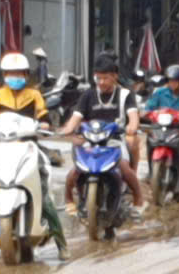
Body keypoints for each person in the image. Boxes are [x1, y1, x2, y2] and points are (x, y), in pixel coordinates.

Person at [59, 52, 146, 210]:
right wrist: (67, 130)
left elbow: (133, 115)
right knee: (75, 171)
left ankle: (138, 198)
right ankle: (69, 199)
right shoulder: (88, 95)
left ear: (114, 76)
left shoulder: (125, 94)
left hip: (114, 140)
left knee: (125, 169)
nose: (102, 82)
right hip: (90, 139)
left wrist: (132, 126)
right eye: (98, 78)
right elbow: (76, 117)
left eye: (105, 78)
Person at [0, 50, 52, 124]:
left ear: (26, 75)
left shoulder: (34, 95)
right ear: (5, 75)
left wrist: (44, 123)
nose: (15, 76)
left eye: (19, 73)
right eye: (12, 73)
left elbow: (43, 114)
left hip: (27, 133)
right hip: (2, 134)